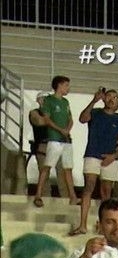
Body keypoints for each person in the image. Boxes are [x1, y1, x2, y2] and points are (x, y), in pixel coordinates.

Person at [74, 87, 118, 236]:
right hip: (93, 153)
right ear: (104, 99)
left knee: (106, 192)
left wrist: (113, 156)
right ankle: (82, 224)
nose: (111, 99)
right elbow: (82, 119)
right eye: (109, 96)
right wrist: (94, 100)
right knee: (89, 186)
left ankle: (104, 225)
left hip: (110, 158)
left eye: (114, 97)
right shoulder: (96, 113)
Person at [32, 75, 74, 211]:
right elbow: (43, 120)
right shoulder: (40, 108)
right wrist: (60, 129)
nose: (68, 88)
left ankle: (71, 196)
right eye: (66, 85)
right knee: (46, 168)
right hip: (51, 141)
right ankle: (39, 195)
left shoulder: (65, 102)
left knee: (66, 169)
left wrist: (66, 130)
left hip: (64, 140)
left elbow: (70, 118)